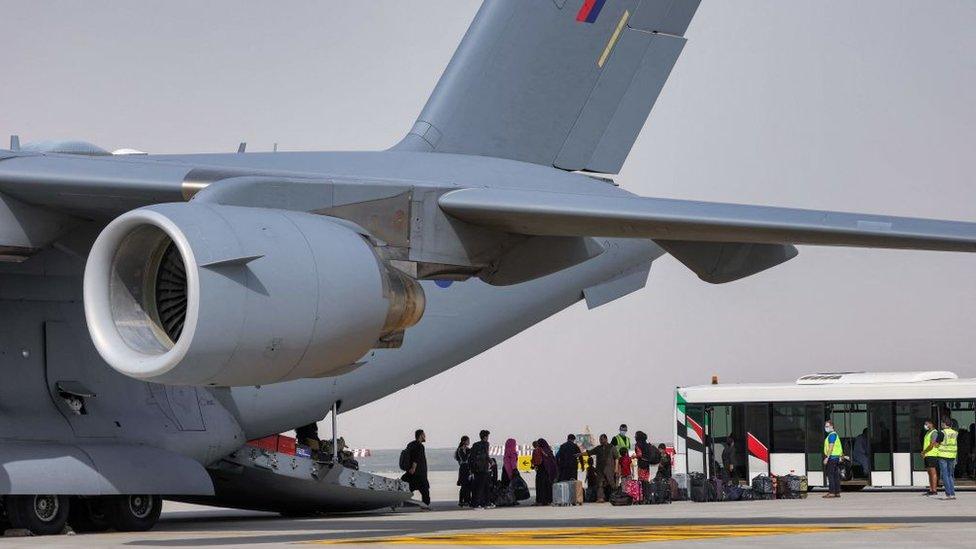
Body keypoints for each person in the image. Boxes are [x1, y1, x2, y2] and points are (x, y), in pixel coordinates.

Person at [402, 429, 431, 508]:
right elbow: (416, 458)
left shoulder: (410, 444)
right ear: (420, 435)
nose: (425, 436)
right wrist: (413, 468)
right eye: (424, 435)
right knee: (425, 490)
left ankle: (400, 501)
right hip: (419, 473)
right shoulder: (420, 446)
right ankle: (425, 505)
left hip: (411, 472)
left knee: (407, 488)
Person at [588, 434, 619, 502]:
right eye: (600, 440)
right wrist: (580, 454)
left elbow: (616, 458)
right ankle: (600, 498)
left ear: (606, 439)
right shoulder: (598, 448)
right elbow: (590, 452)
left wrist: (616, 468)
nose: (600, 441)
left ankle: (615, 497)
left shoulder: (612, 447)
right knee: (600, 484)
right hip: (600, 469)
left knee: (612, 484)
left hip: (610, 469)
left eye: (601, 439)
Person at [936, 416, 958, 500]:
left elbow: (937, 444)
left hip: (943, 456)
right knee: (950, 475)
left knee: (944, 475)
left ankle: (948, 494)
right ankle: (952, 494)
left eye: (942, 423)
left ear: (944, 424)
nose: (941, 424)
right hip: (952, 456)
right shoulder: (955, 433)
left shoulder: (942, 433)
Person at [469, 429, 493, 509]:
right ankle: (479, 504)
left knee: (480, 486)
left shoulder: (475, 445)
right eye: (487, 436)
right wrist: (491, 462)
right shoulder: (485, 444)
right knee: (482, 487)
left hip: (476, 468)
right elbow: (486, 455)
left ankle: (484, 503)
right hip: (483, 468)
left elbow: (472, 457)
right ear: (485, 437)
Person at [532, 438, 558, 505]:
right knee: (548, 486)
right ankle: (548, 500)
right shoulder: (549, 451)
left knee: (540, 486)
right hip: (548, 472)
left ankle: (540, 500)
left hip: (540, 471)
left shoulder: (537, 450)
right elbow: (553, 462)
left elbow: (535, 462)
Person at [823, 420, 843, 498]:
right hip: (836, 458)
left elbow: (831, 447)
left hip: (832, 458)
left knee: (830, 475)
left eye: (827, 426)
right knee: (835, 475)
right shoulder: (835, 435)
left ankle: (831, 492)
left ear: (832, 427)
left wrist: (827, 458)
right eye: (825, 426)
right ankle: (837, 492)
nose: (826, 428)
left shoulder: (831, 435)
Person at [921, 418, 940, 496]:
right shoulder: (927, 433)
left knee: (933, 473)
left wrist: (924, 452)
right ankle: (931, 489)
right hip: (927, 455)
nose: (925, 425)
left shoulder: (934, 433)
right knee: (929, 473)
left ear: (931, 424)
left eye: (927, 424)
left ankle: (934, 490)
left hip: (932, 455)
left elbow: (932, 445)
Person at [454, 436, 472, 507]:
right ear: (464, 441)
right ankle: (461, 501)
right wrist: (468, 453)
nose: (469, 442)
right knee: (464, 485)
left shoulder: (468, 449)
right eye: (468, 440)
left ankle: (467, 500)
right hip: (463, 468)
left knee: (468, 485)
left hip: (468, 468)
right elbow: (463, 459)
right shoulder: (460, 450)